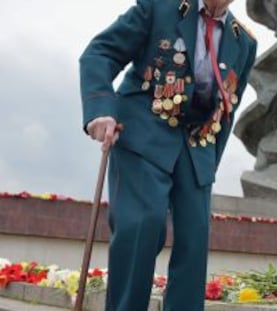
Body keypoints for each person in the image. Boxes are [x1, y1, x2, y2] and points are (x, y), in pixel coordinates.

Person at [79, 0, 257, 310]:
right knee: (141, 226)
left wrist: (208, 167)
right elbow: (100, 53)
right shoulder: (159, 8)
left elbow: (227, 109)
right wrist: (101, 110)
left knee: (194, 238)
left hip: (197, 144)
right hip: (144, 129)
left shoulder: (243, 41)